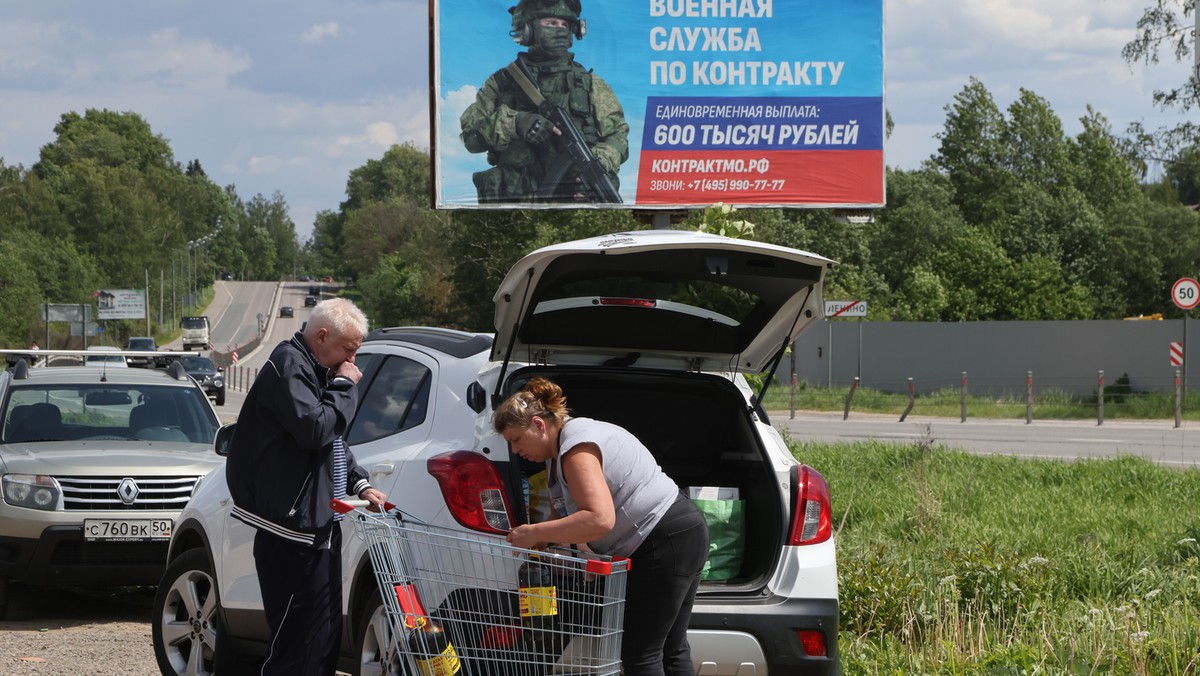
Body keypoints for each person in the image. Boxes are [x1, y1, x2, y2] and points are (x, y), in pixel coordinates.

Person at [494, 378, 709, 676]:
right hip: (680, 531)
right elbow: (565, 517)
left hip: (662, 537)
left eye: (516, 439)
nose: (515, 450)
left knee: (640, 655)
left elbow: (599, 519)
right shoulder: (559, 452)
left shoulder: (575, 450)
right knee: (672, 649)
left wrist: (534, 533)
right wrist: (544, 539)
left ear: (539, 425)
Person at [225, 298, 387, 676]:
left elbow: (332, 441)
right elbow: (314, 429)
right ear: (322, 336)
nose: (353, 361)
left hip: (317, 525)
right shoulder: (289, 365)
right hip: (289, 530)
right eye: (349, 350)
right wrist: (346, 385)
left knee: (324, 632)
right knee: (296, 639)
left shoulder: (316, 368)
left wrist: (360, 483)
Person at [459, 0, 629, 203]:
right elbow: (470, 139)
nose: (559, 30)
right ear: (528, 29)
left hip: (575, 207)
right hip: (514, 209)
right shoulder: (502, 83)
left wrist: (597, 165)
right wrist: (515, 123)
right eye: (550, 23)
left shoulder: (591, 85)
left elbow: (618, 137)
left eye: (564, 25)